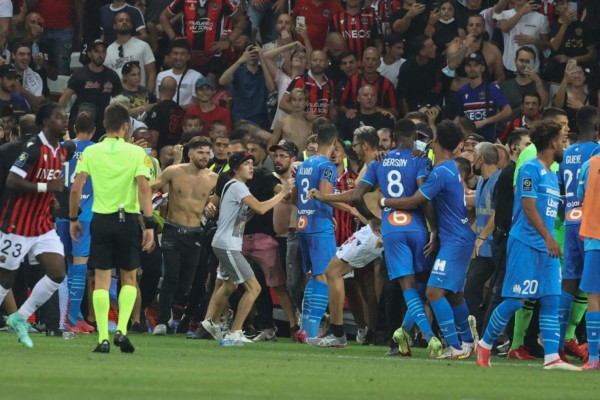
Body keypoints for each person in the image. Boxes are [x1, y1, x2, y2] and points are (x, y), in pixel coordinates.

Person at [476, 120, 582, 371]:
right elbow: (527, 206)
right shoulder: (530, 169)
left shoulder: (552, 174)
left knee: (551, 299)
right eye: (563, 140)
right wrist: (548, 237)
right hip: (525, 243)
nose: (564, 145)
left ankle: (552, 358)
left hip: (546, 248)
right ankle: (484, 344)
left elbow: (546, 210)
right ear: (553, 143)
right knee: (516, 300)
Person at [381, 120, 477, 359]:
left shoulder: (440, 173)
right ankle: (466, 342)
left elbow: (415, 201)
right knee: (454, 295)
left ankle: (453, 346)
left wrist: (385, 202)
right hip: (458, 237)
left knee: (434, 292)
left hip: (454, 241)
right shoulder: (448, 167)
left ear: (436, 142)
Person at [69, 103, 155, 353]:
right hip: (126, 219)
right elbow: (143, 187)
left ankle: (103, 338)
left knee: (102, 280)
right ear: (127, 126)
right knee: (128, 278)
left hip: (100, 219)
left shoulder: (92, 153)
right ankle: (122, 331)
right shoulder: (137, 154)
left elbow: (76, 188)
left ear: (104, 126)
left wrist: (74, 218)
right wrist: (149, 224)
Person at [200, 151, 293, 345]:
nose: (251, 167)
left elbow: (247, 214)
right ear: (235, 169)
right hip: (228, 245)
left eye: (252, 163)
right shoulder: (238, 186)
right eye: (246, 164)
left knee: (229, 285)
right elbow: (259, 208)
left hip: (223, 242)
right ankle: (235, 332)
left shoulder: (231, 186)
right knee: (254, 288)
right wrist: (283, 193)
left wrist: (250, 211)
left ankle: (210, 321)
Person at [0, 102, 69, 348]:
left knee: (58, 272)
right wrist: (46, 188)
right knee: (5, 279)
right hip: (17, 223)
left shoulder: (60, 151)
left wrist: (50, 201)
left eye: (65, 116)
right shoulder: (32, 148)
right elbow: (12, 181)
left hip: (42, 224)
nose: (65, 120)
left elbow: (47, 180)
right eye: (59, 117)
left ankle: (19, 317)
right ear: (45, 122)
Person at [149, 137, 218, 335]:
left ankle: (166, 303)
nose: (205, 156)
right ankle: (162, 322)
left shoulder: (213, 178)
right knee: (170, 276)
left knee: (185, 283)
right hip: (172, 230)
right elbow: (151, 188)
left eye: (207, 152)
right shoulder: (173, 171)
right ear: (190, 153)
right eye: (200, 152)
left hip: (196, 233)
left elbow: (215, 201)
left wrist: (211, 206)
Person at [556, 106, 600, 357]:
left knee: (569, 284)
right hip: (592, 224)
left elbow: (564, 191)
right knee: (595, 289)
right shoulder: (597, 152)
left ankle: (558, 345)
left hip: (571, 221)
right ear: (596, 128)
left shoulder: (567, 152)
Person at [293, 123, 339, 341]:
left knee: (313, 276)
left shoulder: (304, 165)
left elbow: (295, 196)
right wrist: (349, 207)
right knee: (325, 275)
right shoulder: (328, 166)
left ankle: (305, 328)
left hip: (302, 223)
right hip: (319, 225)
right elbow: (325, 195)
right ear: (335, 143)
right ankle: (311, 333)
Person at [55, 111, 96, 333]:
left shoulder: (62, 147)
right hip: (85, 214)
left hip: (60, 212)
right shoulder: (95, 150)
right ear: (94, 130)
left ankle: (72, 314)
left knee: (63, 263)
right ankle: (71, 318)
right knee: (80, 263)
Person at [464, 142, 501, 336]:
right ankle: (479, 332)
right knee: (470, 288)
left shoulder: (499, 180)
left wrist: (482, 235)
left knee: (497, 293)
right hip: (482, 248)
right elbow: (477, 204)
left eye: (474, 158)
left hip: (497, 246)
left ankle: (495, 337)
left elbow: (498, 212)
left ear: (481, 160)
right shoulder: (481, 182)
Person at [59, 39, 123, 141]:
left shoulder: (112, 75)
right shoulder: (79, 74)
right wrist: (60, 120)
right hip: (80, 123)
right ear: (89, 54)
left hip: (103, 124)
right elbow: (64, 100)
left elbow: (121, 102)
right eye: (97, 51)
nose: (100, 55)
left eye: (103, 51)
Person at [577, 135, 600, 370]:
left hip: (595, 237)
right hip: (594, 237)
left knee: (594, 296)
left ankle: (594, 357)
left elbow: (580, 196)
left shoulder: (589, 164)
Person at [457, 52, 511, 142]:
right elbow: (459, 117)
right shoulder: (462, 91)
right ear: (465, 69)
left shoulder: (492, 88)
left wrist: (485, 121)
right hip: (468, 140)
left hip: (488, 140)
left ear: (482, 68)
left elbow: (507, 111)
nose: (472, 68)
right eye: (469, 65)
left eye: (476, 65)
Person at [219, 43, 272, 129]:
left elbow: (271, 88)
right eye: (249, 51)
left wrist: (262, 59)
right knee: (267, 137)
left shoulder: (264, 72)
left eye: (255, 52)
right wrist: (240, 60)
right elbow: (222, 81)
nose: (252, 54)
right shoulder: (238, 71)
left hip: (261, 120)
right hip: (241, 119)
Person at [104, 11, 157, 92]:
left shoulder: (143, 45)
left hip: (140, 98)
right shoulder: (109, 49)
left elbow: (152, 73)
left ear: (132, 25)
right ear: (114, 26)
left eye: (127, 20)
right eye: (121, 20)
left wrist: (149, 96)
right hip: (118, 98)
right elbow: (107, 78)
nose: (124, 22)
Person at [496, 0, 550, 74]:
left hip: (532, 68)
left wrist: (533, 40)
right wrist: (521, 12)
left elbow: (545, 46)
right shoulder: (504, 14)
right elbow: (505, 27)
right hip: (509, 66)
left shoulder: (541, 18)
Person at [279, 50, 335, 120]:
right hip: (303, 127)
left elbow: (331, 107)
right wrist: (304, 114)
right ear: (309, 62)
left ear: (327, 63)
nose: (318, 63)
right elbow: (283, 104)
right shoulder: (300, 80)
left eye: (321, 60)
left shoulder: (330, 83)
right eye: (315, 60)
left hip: (323, 128)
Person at [155, 39, 203, 108]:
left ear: (188, 57)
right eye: (175, 53)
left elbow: (197, 103)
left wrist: (175, 110)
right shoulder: (161, 75)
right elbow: (159, 101)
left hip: (188, 117)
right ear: (170, 55)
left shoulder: (196, 76)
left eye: (182, 54)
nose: (178, 57)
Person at [500, 46, 550, 112]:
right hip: (510, 121)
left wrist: (538, 81)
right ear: (515, 61)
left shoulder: (541, 84)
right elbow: (499, 111)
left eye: (528, 61)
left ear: (533, 63)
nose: (524, 64)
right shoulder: (505, 86)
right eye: (521, 60)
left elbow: (545, 104)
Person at [146, 76, 185, 152]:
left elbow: (154, 137)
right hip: (177, 150)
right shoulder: (181, 110)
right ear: (174, 91)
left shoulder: (157, 109)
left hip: (161, 152)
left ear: (159, 88)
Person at [269, 88, 312, 152]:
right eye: (294, 100)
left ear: (306, 102)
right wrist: (277, 159)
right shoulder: (282, 122)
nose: (297, 103)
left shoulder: (311, 123)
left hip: (306, 160)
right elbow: (270, 145)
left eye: (300, 100)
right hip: (288, 159)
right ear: (290, 102)